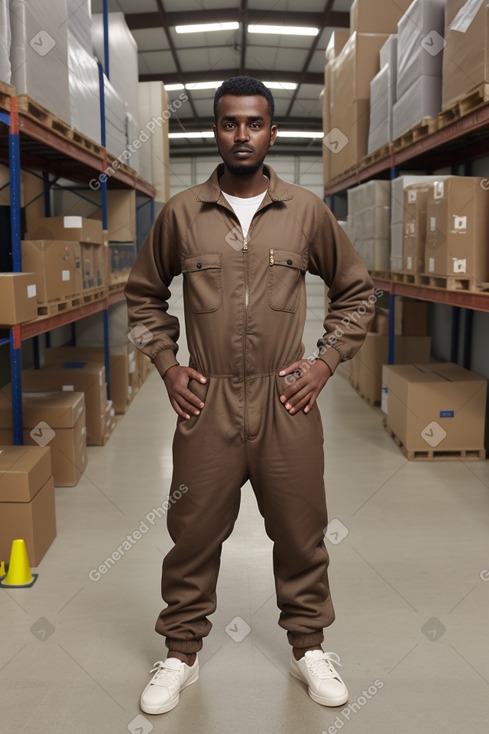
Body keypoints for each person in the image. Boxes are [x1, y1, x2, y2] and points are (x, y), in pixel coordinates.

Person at [124, 76, 375, 716]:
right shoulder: (181, 214)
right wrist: (166, 364)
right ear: (216, 130)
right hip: (206, 400)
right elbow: (142, 297)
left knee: (300, 530)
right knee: (193, 531)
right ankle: (180, 652)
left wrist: (324, 365)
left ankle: (310, 647)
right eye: (231, 123)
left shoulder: (308, 212)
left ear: (271, 132)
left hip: (284, 400)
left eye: (255, 124)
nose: (243, 135)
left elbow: (357, 294)